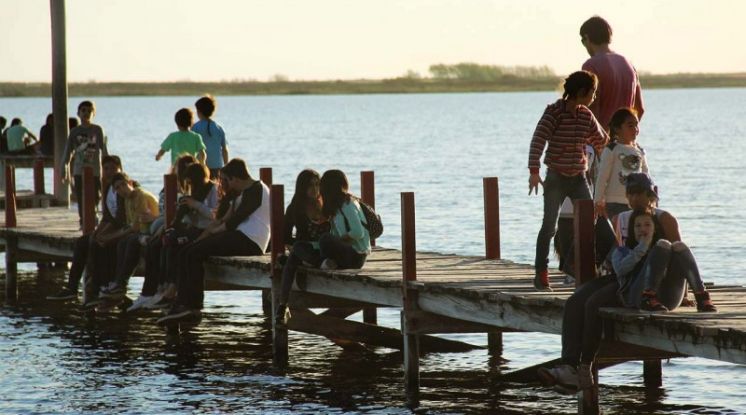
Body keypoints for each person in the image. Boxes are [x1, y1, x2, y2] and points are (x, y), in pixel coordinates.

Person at [157, 158, 270, 325]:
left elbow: (235, 221)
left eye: (227, 181)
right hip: (240, 236)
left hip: (250, 240)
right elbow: (224, 219)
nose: (226, 185)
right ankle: (182, 303)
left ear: (235, 179)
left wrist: (215, 232)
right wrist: (206, 235)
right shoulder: (243, 194)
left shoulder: (258, 189)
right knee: (187, 252)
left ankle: (193, 307)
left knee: (194, 253)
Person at [528, 71, 609, 291]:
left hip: (579, 177)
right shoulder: (554, 112)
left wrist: (611, 160)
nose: (594, 96)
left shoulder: (585, 115)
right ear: (582, 92)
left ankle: (576, 266)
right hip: (556, 177)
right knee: (549, 226)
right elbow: (538, 140)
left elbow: (601, 141)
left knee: (589, 221)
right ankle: (541, 272)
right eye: (592, 92)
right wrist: (534, 171)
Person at [129, 162, 218, 312]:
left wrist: (195, 205)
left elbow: (214, 216)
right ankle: (154, 289)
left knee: (174, 243)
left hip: (206, 231)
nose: (189, 185)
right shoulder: (193, 191)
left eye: (190, 181)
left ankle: (169, 288)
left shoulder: (213, 189)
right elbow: (190, 219)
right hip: (192, 229)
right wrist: (183, 212)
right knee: (159, 242)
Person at [46, 155, 125, 301]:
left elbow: (120, 220)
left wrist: (101, 235)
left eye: (113, 168)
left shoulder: (123, 187)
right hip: (111, 229)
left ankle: (98, 289)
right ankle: (72, 288)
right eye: (106, 169)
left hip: (123, 232)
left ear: (120, 169)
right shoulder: (108, 188)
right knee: (83, 241)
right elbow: (107, 217)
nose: (109, 172)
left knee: (97, 245)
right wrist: (96, 232)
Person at [612, 209, 716, 312]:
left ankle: (701, 296)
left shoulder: (662, 250)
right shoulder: (622, 251)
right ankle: (648, 297)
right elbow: (620, 270)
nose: (642, 229)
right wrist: (642, 247)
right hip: (636, 298)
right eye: (638, 226)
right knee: (663, 245)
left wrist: (685, 295)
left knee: (678, 246)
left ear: (654, 229)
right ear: (632, 229)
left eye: (647, 225)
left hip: (667, 299)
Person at [275, 169, 330, 326]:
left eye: (317, 184)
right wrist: (295, 246)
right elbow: (285, 236)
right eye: (310, 185)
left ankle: (282, 305)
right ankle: (283, 305)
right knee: (295, 253)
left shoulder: (327, 204)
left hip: (327, 249)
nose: (314, 189)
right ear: (302, 188)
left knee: (290, 260)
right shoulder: (295, 208)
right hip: (306, 250)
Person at [98, 172, 159, 298]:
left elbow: (137, 227)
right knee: (121, 242)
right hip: (141, 232)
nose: (122, 190)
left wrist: (109, 237)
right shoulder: (127, 199)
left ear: (130, 183)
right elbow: (130, 224)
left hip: (152, 231)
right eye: (117, 188)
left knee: (130, 241)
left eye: (123, 185)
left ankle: (121, 283)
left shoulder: (140, 195)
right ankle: (115, 283)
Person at [579, 16, 645, 129]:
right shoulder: (628, 64)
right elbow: (639, 109)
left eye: (582, 41)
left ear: (587, 37)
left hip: (600, 142)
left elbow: (591, 109)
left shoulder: (591, 65)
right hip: (625, 142)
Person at [594, 108, 648, 219]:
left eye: (636, 125)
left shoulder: (640, 151)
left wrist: (648, 198)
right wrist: (598, 201)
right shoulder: (612, 149)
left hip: (635, 203)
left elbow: (646, 176)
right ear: (617, 128)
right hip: (614, 203)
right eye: (630, 125)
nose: (635, 129)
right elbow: (602, 177)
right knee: (617, 234)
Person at [62, 100, 109, 226]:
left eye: (89, 111)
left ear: (93, 114)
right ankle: (83, 220)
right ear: (78, 113)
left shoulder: (97, 130)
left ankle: (93, 215)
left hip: (94, 170)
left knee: (95, 196)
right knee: (81, 196)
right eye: (83, 110)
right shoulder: (74, 132)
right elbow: (68, 152)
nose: (86, 113)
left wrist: (107, 169)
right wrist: (64, 169)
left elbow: (104, 150)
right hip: (79, 170)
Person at [318, 169, 371, 271]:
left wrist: (340, 240)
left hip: (356, 256)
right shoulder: (336, 207)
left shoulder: (348, 204)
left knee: (325, 239)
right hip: (347, 253)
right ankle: (323, 262)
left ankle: (322, 263)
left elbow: (358, 232)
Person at [192, 95, 229, 178]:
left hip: (201, 168)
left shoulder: (195, 127)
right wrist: (226, 166)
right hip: (218, 167)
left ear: (199, 112)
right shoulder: (218, 128)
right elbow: (225, 150)